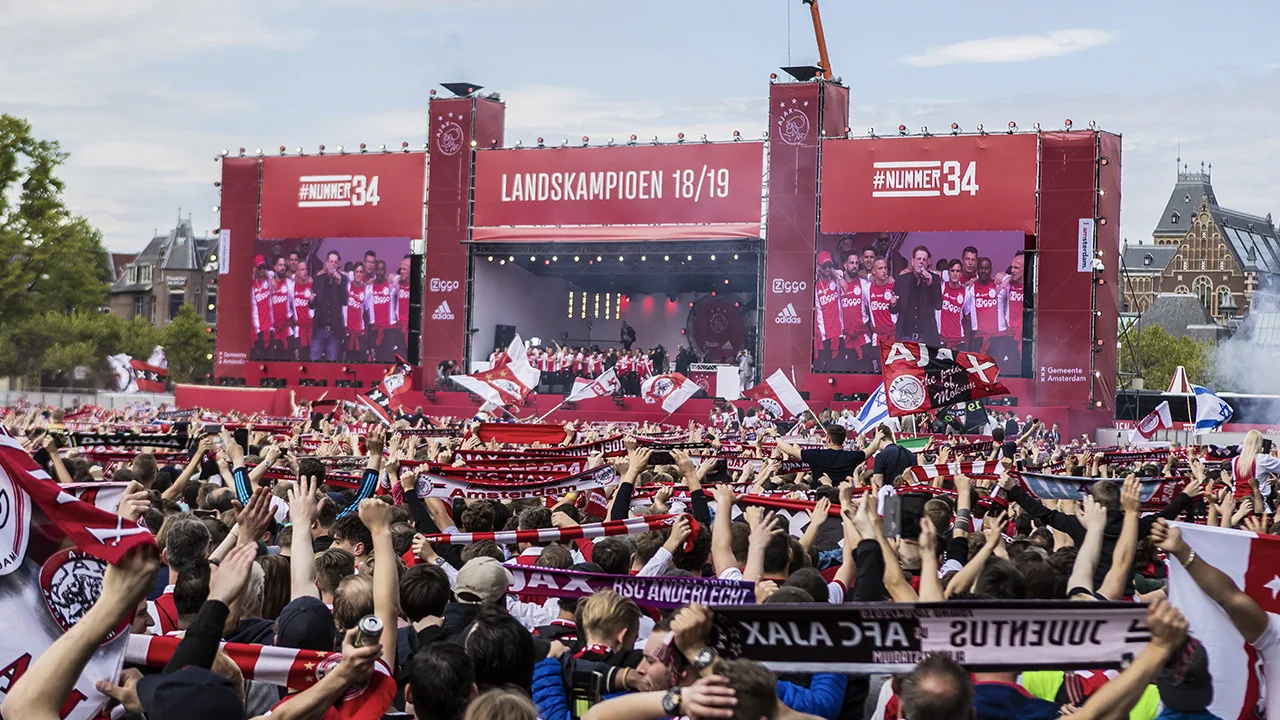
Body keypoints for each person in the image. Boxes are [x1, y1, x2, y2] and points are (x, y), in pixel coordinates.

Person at [896, 244, 942, 345]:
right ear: (913, 262)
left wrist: (930, 285)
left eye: (924, 260)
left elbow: (938, 305)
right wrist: (892, 303)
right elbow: (894, 309)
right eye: (918, 259)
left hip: (927, 338)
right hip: (906, 337)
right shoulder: (902, 280)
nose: (921, 261)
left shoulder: (934, 279)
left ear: (927, 263)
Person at [310, 249, 347, 362]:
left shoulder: (343, 280)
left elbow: (345, 301)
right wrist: (311, 301)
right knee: (314, 360)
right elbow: (312, 306)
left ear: (339, 265)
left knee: (332, 362)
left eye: (335, 262)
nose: (333, 264)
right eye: (331, 261)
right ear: (326, 263)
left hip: (334, 331)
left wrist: (339, 283)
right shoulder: (318, 279)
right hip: (319, 329)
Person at [813, 251, 843, 368]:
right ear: (818, 266)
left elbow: (854, 273)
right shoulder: (814, 284)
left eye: (829, 266)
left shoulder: (837, 278)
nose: (827, 269)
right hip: (824, 335)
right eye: (824, 266)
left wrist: (833, 271)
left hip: (839, 334)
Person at [939, 259, 975, 350]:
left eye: (958, 271)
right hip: (941, 340)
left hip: (958, 341)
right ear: (948, 273)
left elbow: (967, 315)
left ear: (961, 274)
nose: (955, 273)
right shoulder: (941, 288)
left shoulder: (966, 293)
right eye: (952, 271)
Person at [250, 254, 274, 357]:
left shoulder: (269, 280)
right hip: (259, 328)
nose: (262, 270)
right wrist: (257, 328)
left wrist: (266, 272)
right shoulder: (252, 284)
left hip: (271, 327)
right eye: (260, 268)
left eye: (264, 268)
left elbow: (274, 275)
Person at [290, 261, 315, 361]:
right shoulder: (291, 287)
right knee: (301, 361)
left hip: (312, 329)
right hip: (299, 330)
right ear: (297, 273)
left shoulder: (313, 285)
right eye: (302, 270)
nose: (305, 272)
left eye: (306, 269)